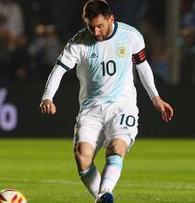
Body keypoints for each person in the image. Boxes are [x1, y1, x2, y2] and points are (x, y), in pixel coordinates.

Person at [39, 1, 174, 203]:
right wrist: (47, 97)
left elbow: (142, 67)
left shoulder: (131, 36)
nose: (96, 31)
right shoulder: (79, 42)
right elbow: (58, 69)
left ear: (111, 19)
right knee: (82, 157)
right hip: (91, 109)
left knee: (116, 147)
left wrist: (156, 98)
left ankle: (104, 195)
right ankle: (102, 198)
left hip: (122, 105)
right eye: (90, 26)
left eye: (100, 26)